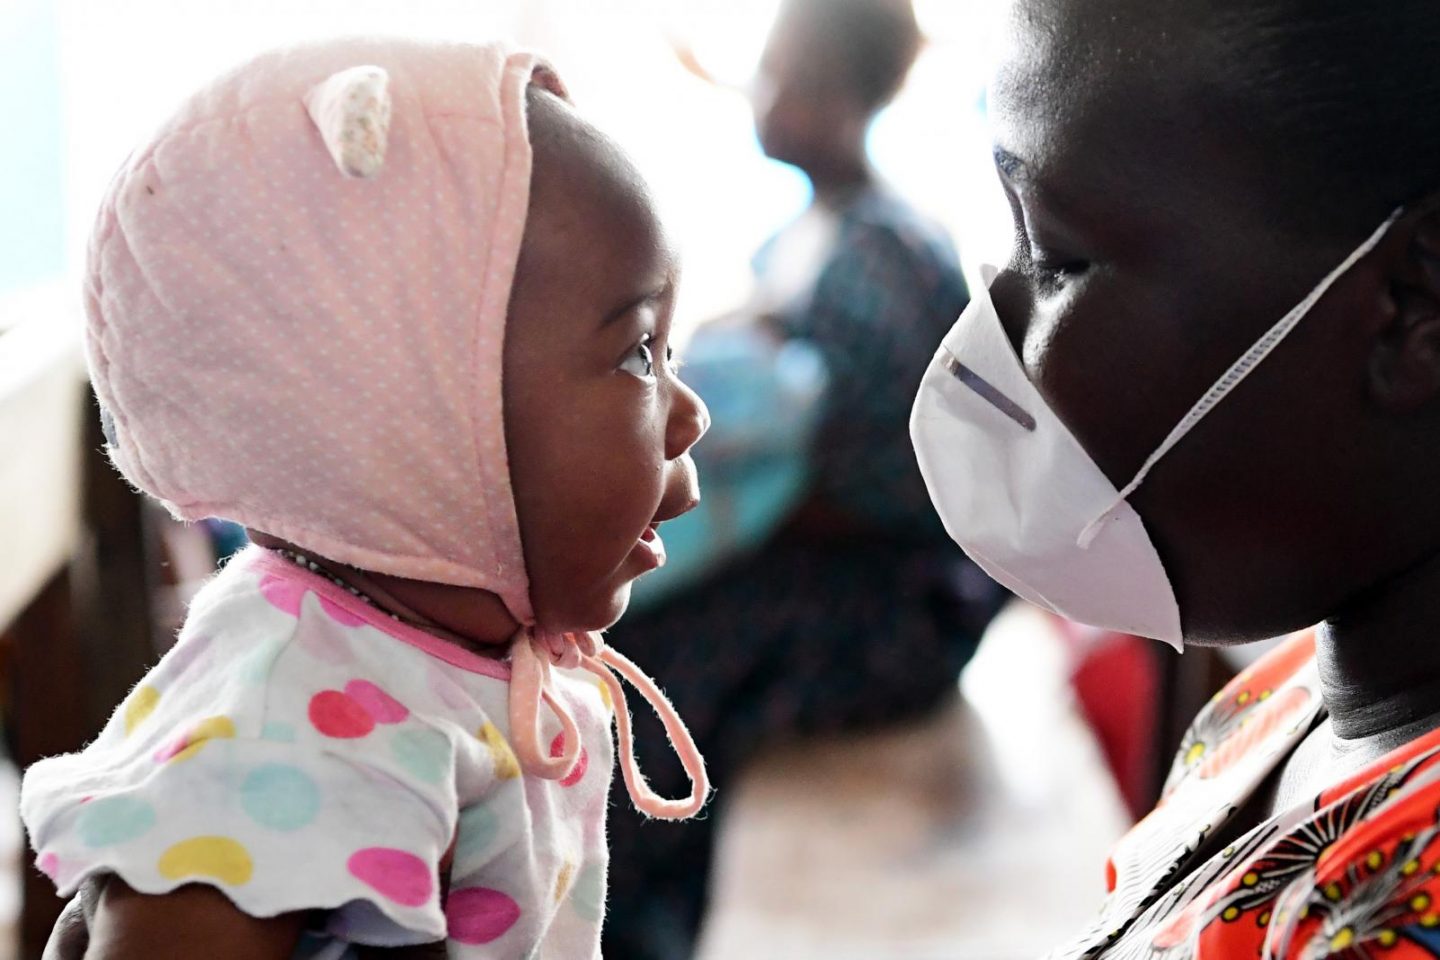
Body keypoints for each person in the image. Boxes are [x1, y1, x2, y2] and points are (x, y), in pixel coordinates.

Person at [20, 37, 711, 959]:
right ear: (411, 417)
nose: (691, 412)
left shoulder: (438, 657)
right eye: (638, 352)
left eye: (669, 353)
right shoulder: (283, 723)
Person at [908, 0, 1440, 956]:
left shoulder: (1392, 919)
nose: (991, 308)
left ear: (1412, 305)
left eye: (1059, 257)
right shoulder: (1284, 699)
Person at [602, 1, 1006, 956]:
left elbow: (892, 479)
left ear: (847, 96)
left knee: (636, 648)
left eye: (791, 77)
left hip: (890, 601)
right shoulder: (806, 236)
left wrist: (709, 513)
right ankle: (645, 902)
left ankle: (630, 914)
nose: (767, 98)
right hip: (819, 558)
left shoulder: (885, 249)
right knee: (617, 616)